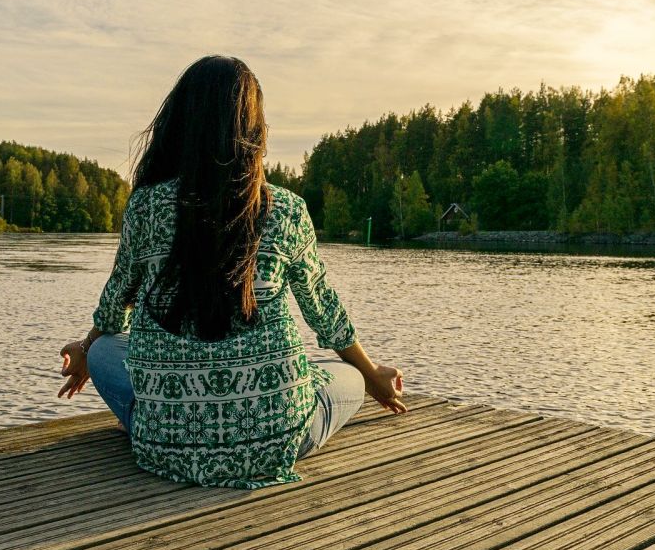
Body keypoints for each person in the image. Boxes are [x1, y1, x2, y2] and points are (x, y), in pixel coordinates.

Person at [57, 55, 407, 489]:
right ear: (254, 130)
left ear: (179, 124)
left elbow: (114, 307)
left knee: (107, 348)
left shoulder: (146, 206)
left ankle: (162, 422)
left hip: (164, 447)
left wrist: (88, 347)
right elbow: (325, 314)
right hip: (277, 440)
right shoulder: (287, 209)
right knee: (348, 375)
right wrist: (373, 376)